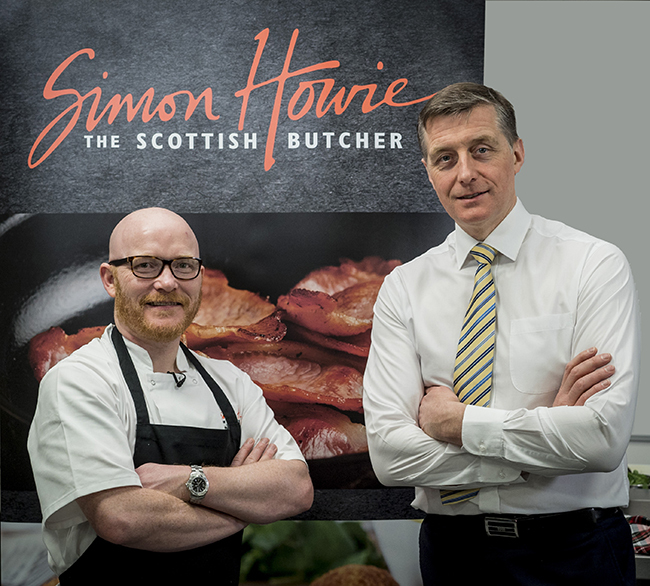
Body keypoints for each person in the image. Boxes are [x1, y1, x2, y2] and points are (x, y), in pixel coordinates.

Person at [363, 83, 640, 585]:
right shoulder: (403, 287)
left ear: (516, 153)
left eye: (482, 149)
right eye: (445, 158)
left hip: (576, 553)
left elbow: (601, 439)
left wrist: (457, 422)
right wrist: (536, 452)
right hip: (454, 555)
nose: (465, 173)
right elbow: (388, 454)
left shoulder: (593, 265)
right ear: (428, 173)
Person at [28, 207, 314, 585]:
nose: (166, 282)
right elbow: (123, 517)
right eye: (145, 265)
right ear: (110, 279)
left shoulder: (231, 381)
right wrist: (245, 502)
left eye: (183, 266)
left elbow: (296, 488)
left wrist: (188, 480)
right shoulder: (80, 380)